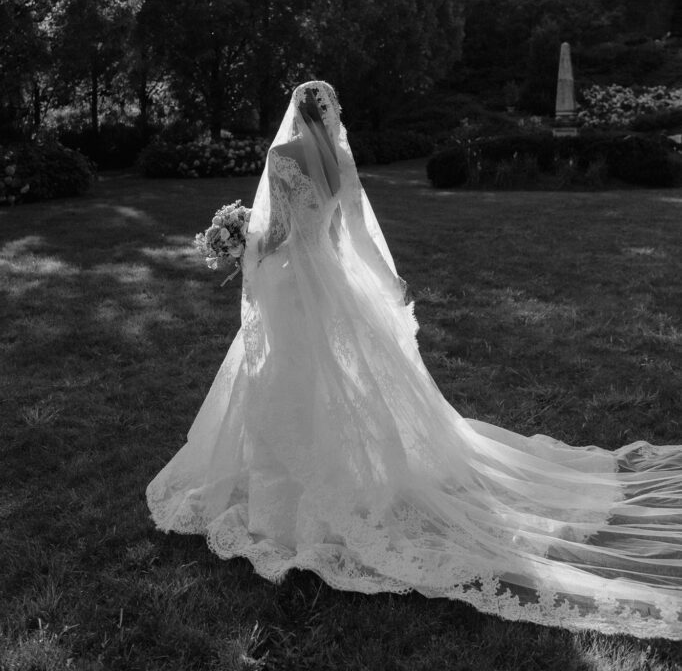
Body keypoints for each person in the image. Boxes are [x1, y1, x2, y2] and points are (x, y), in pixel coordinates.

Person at [147, 80, 682, 638]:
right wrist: (387, 281)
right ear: (327, 113)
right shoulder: (341, 158)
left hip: (291, 284)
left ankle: (301, 487)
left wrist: (241, 244)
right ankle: (341, 471)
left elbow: (279, 233)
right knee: (332, 380)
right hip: (334, 285)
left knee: (291, 375)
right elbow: (352, 230)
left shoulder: (282, 156)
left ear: (293, 113)